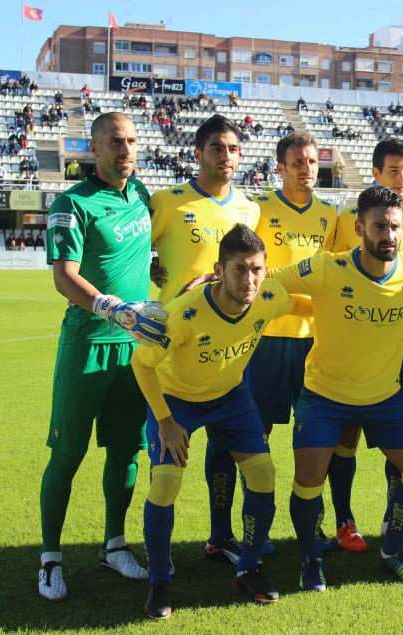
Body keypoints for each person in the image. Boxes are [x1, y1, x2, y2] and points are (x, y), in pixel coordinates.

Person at [270, 185, 403, 589]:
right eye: (379, 226)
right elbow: (272, 279)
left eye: (395, 226)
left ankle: (392, 548)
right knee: (308, 479)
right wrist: (215, 278)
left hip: (384, 396)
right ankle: (310, 558)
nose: (389, 235)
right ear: (359, 227)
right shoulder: (326, 268)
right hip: (324, 396)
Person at [133, 224, 311, 618]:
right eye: (239, 269)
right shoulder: (183, 314)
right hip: (177, 401)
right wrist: (165, 422)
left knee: (263, 475)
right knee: (165, 482)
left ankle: (248, 568)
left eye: (257, 269)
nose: (249, 280)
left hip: (231, 397)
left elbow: (302, 306)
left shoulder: (269, 295)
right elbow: (141, 364)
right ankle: (160, 581)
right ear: (219, 269)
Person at [38, 112, 168, 600]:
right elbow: (64, 276)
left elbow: (151, 261)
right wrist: (108, 307)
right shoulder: (72, 203)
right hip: (87, 346)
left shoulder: (142, 196)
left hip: (134, 352)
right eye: (116, 142)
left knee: (126, 450)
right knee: (67, 454)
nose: (127, 150)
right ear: (94, 148)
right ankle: (50, 558)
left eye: (133, 141)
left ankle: (114, 544)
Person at [146, 114, 261, 565]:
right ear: (197, 153)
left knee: (224, 449)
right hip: (176, 347)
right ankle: (158, 561)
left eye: (233, 149)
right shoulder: (168, 202)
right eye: (217, 148)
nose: (226, 156)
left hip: (226, 351)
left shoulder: (250, 209)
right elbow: (135, 256)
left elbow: (255, 267)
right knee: (168, 467)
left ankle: (221, 535)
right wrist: (155, 284)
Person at [330, 138, 403, 552]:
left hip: (402, 344)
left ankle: (396, 518)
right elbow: (333, 274)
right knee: (348, 434)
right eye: (394, 170)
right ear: (375, 173)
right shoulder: (348, 218)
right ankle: (344, 520)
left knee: (402, 436)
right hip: (354, 344)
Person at [239, 132, 336, 551]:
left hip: (315, 344)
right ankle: (255, 530)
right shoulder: (258, 210)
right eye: (297, 162)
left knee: (315, 437)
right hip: (267, 340)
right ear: (279, 168)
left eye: (312, 162)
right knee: (255, 438)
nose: (306, 169)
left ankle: (311, 528)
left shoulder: (330, 216)